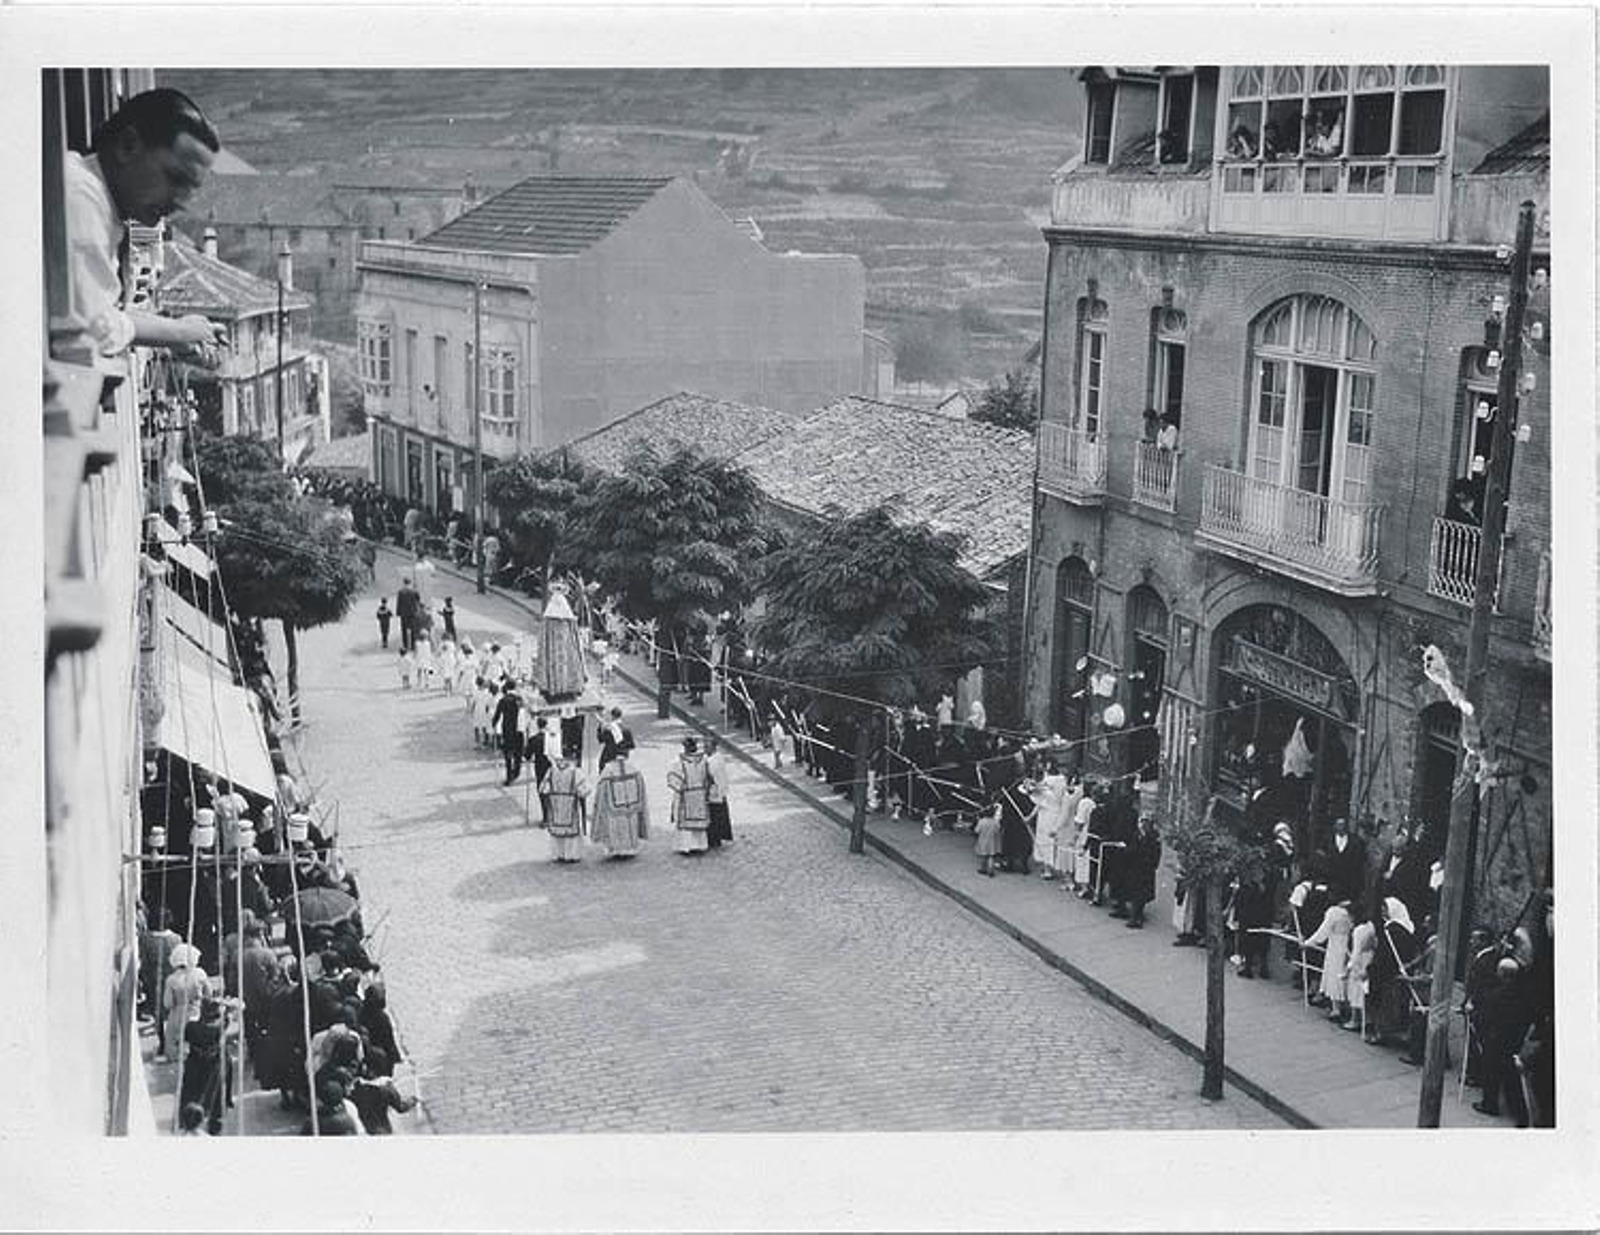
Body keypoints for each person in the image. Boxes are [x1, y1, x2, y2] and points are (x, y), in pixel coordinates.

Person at [65, 89, 228, 365]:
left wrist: (181, 334)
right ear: (128, 146)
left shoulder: (99, 198)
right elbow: (91, 328)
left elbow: (101, 311)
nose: (181, 201)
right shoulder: (79, 196)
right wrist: (179, 331)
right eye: (175, 178)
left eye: (190, 189)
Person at [1303, 890, 1356, 1022]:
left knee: (1334, 974)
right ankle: (1346, 1005)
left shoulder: (1333, 912)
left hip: (1335, 945)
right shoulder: (1351, 910)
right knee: (1345, 973)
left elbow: (1323, 932)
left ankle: (1336, 1008)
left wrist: (1308, 943)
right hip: (1348, 943)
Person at [591, 749, 650, 859]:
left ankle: (616, 850)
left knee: (616, 827)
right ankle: (630, 848)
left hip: (614, 807)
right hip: (631, 806)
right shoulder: (634, 768)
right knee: (629, 826)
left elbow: (601, 788)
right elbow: (641, 787)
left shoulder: (608, 770)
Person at [161, 945, 208, 1066]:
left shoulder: (171, 979)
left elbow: (168, 1003)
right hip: (196, 1011)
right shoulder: (200, 974)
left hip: (178, 1014)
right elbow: (209, 993)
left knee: (175, 1042)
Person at [350, 1050, 417, 1134]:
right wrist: (413, 1101)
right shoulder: (386, 1086)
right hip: (383, 1128)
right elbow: (401, 1107)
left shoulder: (355, 1085)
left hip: (364, 1129)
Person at [668, 736, 714, 855]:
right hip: (700, 794)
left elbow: (673, 778)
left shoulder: (679, 762)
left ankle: (686, 845)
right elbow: (709, 778)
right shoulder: (704, 761)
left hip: (686, 793)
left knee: (685, 819)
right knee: (699, 817)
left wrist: (680, 788)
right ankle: (700, 845)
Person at [541, 752, 589, 863]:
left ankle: (558, 854)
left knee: (557, 830)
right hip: (570, 803)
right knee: (570, 831)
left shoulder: (551, 771)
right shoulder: (575, 772)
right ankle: (571, 854)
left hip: (556, 803)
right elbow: (584, 791)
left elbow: (544, 789)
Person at [1030, 759, 1069, 880]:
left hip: (1046, 813)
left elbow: (1040, 800)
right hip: (1056, 812)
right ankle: (1054, 867)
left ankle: (1047, 869)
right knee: (1053, 840)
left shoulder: (1047, 781)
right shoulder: (1063, 780)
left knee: (1044, 839)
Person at [1124, 814, 1162, 928]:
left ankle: (1135, 917)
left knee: (1137, 892)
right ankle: (1138, 916)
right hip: (1144, 868)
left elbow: (1133, 850)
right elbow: (1157, 853)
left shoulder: (1142, 836)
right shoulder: (1152, 836)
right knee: (1141, 893)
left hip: (1140, 868)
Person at [494, 680, 525, 785]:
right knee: (518, 753)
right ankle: (516, 772)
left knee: (508, 754)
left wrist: (494, 723)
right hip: (519, 729)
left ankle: (509, 777)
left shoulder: (503, 700)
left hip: (507, 730)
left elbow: (497, 715)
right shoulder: (519, 700)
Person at [705, 737, 733, 849]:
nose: (705, 749)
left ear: (713, 747)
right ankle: (718, 837)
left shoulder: (712, 761)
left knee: (714, 816)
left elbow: (711, 775)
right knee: (719, 814)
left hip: (715, 790)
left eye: (707, 747)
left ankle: (714, 839)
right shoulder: (718, 757)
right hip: (721, 790)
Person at [598, 707, 635, 771]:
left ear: (612, 716)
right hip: (624, 756)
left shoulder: (609, 729)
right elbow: (631, 746)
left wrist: (600, 728)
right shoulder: (627, 729)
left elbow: (600, 739)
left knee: (601, 766)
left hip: (610, 757)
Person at [974, 800, 1002, 877]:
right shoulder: (995, 822)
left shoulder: (981, 821)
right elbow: (998, 830)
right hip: (992, 842)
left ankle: (983, 869)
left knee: (984, 856)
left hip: (983, 842)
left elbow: (976, 831)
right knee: (991, 856)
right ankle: (991, 871)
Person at [394, 578, 420, 652]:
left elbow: (399, 603)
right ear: (410, 583)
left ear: (404, 583)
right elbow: (418, 600)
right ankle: (412, 645)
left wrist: (398, 612)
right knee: (413, 629)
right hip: (412, 613)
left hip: (404, 613)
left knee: (404, 629)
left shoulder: (400, 592)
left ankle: (405, 645)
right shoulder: (414, 591)